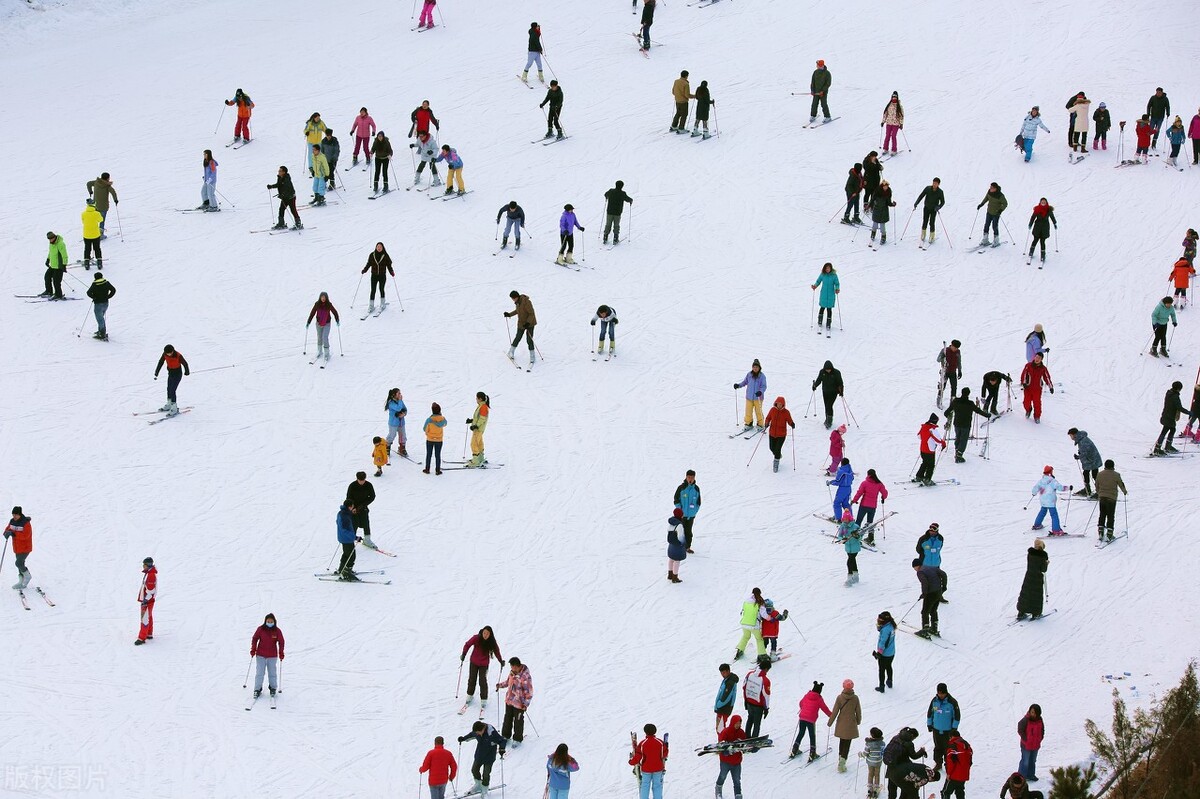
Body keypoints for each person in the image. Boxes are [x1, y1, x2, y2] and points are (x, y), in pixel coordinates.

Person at [458, 721, 507, 798]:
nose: (477, 734)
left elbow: (502, 740)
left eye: (478, 732)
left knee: (486, 774)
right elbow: (472, 734)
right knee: (474, 770)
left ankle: (484, 790)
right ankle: (478, 785)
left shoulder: (491, 733)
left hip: (489, 757)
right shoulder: (477, 731)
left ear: (483, 729)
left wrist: (502, 748)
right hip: (479, 755)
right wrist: (463, 738)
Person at [461, 626, 504, 709]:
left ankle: (484, 699)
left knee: (482, 681)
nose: (485, 635)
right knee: (472, 679)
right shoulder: (477, 638)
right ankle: (469, 695)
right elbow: (467, 644)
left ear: (490, 635)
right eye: (484, 633)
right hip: (474, 662)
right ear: (482, 632)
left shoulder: (492, 642)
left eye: (487, 634)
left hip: (484, 664)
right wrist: (463, 654)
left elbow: (497, 652)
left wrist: (501, 661)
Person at [926, 683, 961, 776]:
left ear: (946, 692)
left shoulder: (952, 702)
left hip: (948, 731)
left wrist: (954, 728)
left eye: (942, 693)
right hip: (936, 730)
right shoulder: (934, 701)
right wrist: (929, 724)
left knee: (948, 749)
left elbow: (957, 716)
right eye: (939, 693)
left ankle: (948, 765)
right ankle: (938, 763)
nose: (940, 695)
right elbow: (930, 713)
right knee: (938, 748)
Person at [496, 657, 533, 746]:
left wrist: (526, 704)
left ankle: (517, 738)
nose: (511, 669)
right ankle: (505, 735)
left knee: (518, 720)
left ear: (517, 666)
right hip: (510, 700)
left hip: (519, 703)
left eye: (513, 667)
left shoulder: (525, 676)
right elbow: (508, 682)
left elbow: (529, 691)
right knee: (507, 718)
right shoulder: (512, 673)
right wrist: (500, 685)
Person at [945, 388, 988, 462]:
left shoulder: (956, 401)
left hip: (957, 423)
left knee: (958, 437)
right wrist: (987, 415)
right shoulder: (970, 403)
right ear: (968, 394)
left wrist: (948, 417)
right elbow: (978, 411)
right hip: (966, 424)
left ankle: (957, 450)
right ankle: (959, 455)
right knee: (963, 439)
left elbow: (946, 412)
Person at [828, 679, 862, 772]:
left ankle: (840, 759)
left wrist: (830, 722)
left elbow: (835, 711)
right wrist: (858, 721)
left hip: (841, 723)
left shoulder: (840, 697)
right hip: (851, 723)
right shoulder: (855, 698)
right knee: (847, 743)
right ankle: (842, 763)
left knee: (842, 741)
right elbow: (858, 711)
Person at [792, 681, 832, 760]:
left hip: (802, 717)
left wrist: (803, 709)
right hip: (811, 719)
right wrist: (831, 716)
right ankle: (812, 753)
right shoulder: (819, 699)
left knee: (801, 733)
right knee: (812, 735)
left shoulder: (806, 695)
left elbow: (801, 703)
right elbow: (825, 708)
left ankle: (795, 749)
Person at [884, 728, 927, 799]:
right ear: (912, 735)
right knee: (904, 786)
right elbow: (914, 756)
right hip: (902, 767)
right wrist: (921, 751)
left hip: (891, 765)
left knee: (892, 787)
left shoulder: (896, 737)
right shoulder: (909, 743)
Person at [250, 613, 284, 699]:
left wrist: (281, 652)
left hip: (272, 656)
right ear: (265, 621)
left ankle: (273, 688)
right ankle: (257, 689)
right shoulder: (261, 629)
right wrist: (253, 649)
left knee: (272, 673)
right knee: (259, 673)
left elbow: (281, 642)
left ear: (274, 622)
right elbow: (255, 638)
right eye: (268, 621)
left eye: (271, 621)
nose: (269, 623)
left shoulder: (277, 631)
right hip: (260, 655)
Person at [629, 724, 668, 799]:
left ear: (645, 732)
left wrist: (631, 762)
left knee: (645, 785)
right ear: (655, 731)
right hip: (658, 768)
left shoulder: (642, 743)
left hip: (646, 769)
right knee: (657, 786)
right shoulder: (660, 743)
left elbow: (637, 757)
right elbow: (665, 754)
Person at [1094, 460, 1128, 541]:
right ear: (1113, 466)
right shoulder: (1116, 475)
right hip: (1111, 498)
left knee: (1102, 514)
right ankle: (1109, 534)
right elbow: (1121, 484)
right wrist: (1124, 491)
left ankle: (1100, 532)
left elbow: (1096, 485)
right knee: (1110, 515)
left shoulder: (1100, 474)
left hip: (1102, 497)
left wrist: (1099, 493)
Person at [913, 558, 946, 638]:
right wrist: (944, 586)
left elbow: (924, 583)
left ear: (917, 566)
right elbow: (943, 574)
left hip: (930, 593)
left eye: (914, 568)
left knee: (925, 612)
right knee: (933, 610)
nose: (915, 570)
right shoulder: (932, 567)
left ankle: (925, 630)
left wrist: (924, 594)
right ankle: (934, 629)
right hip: (938, 592)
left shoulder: (920, 572)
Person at [153, 344, 190, 415]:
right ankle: (169, 404)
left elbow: (185, 363)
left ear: (173, 351)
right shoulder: (165, 354)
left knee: (173, 390)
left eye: (170, 353)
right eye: (167, 353)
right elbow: (161, 362)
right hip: (170, 373)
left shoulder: (178, 355)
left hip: (177, 374)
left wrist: (187, 371)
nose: (169, 354)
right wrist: (157, 372)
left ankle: (174, 407)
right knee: (169, 388)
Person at [1016, 539, 1049, 620]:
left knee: (1025, 593)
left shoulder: (1030, 553)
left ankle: (1021, 612)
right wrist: (1046, 563)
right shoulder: (1043, 555)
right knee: (1036, 595)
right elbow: (1043, 569)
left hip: (1028, 576)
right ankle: (1035, 613)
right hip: (1037, 578)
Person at [714, 714, 744, 799]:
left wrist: (747, 748)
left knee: (737, 780)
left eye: (739, 723)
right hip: (725, 761)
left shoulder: (741, 732)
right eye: (737, 723)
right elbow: (721, 745)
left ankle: (738, 795)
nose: (738, 725)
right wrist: (725, 752)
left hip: (737, 762)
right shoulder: (726, 732)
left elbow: (745, 745)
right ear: (733, 722)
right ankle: (718, 790)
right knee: (722, 776)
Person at [503, 290, 537, 365]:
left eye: (513, 298)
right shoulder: (518, 302)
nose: (512, 300)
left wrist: (528, 323)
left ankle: (532, 356)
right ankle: (511, 352)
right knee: (518, 337)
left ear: (516, 297)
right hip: (521, 323)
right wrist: (509, 314)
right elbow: (518, 311)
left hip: (530, 324)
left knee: (529, 340)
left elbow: (531, 313)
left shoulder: (527, 302)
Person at [306, 292, 340, 362]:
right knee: (319, 337)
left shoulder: (329, 305)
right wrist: (308, 322)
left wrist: (337, 320)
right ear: (320, 297)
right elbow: (312, 313)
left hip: (327, 323)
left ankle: (327, 353)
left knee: (325, 337)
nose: (323, 298)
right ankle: (319, 351)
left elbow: (335, 312)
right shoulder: (317, 304)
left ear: (326, 298)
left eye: (324, 297)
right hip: (318, 324)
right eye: (322, 297)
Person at [1030, 466, 1066, 534]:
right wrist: (1068, 488)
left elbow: (1036, 487)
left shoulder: (1041, 480)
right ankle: (1056, 530)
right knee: (1054, 514)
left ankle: (1037, 525)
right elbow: (1060, 487)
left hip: (1043, 501)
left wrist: (1034, 493)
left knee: (1042, 512)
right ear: (1050, 472)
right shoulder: (1052, 481)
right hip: (1050, 502)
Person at [763, 397, 795, 473]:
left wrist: (792, 424)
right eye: (778, 404)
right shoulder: (772, 410)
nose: (779, 405)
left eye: (781, 404)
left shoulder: (786, 412)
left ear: (783, 404)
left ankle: (776, 463)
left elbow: (789, 420)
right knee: (771, 448)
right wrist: (767, 423)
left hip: (781, 435)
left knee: (777, 449)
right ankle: (778, 455)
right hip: (772, 433)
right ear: (776, 403)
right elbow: (768, 418)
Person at [733, 587, 766, 660]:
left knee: (745, 636)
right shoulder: (759, 602)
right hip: (754, 625)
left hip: (744, 623)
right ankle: (762, 655)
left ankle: (740, 650)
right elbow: (764, 615)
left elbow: (743, 611)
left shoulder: (746, 601)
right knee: (759, 639)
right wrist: (770, 618)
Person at [734, 360, 767, 431]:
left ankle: (760, 424)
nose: (755, 368)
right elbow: (745, 382)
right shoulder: (749, 374)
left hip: (758, 397)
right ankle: (748, 423)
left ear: (759, 368)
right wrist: (738, 385)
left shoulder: (762, 376)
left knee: (758, 411)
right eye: (754, 367)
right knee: (748, 411)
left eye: (756, 367)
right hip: (749, 397)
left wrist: (760, 392)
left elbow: (764, 386)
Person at [345, 471, 377, 547]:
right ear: (357, 479)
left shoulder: (368, 485)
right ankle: (351, 540)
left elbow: (372, 497)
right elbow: (349, 497)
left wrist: (363, 505)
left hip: (363, 508)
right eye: (360, 480)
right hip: (353, 509)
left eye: (363, 480)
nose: (362, 482)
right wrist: (352, 508)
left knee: (366, 523)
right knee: (354, 524)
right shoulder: (352, 486)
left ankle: (367, 540)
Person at [1067, 428, 1101, 496]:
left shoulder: (1083, 441)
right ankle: (1088, 489)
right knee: (1088, 473)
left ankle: (1098, 491)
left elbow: (1085, 453)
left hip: (1092, 460)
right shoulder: (1081, 438)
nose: (1071, 437)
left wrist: (1078, 456)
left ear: (1074, 435)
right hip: (1091, 459)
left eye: (1071, 435)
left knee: (1093, 474)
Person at [1020, 352, 1053, 423]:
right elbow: (1024, 374)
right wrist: (1024, 383)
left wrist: (1050, 387)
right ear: (1034, 357)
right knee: (1026, 402)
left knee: (1037, 403)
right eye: (1036, 357)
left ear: (1041, 360)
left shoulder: (1043, 368)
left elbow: (1047, 377)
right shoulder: (1028, 365)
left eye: (1039, 358)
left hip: (1037, 389)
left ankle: (1037, 416)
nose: (1037, 359)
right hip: (1028, 388)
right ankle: (1028, 410)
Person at [673, 470, 701, 552]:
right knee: (680, 532)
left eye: (692, 477)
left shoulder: (696, 489)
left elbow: (698, 502)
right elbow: (676, 500)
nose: (690, 479)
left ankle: (687, 547)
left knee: (689, 532)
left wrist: (694, 511)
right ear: (686, 477)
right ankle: (678, 547)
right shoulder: (681, 488)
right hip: (681, 515)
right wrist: (680, 511)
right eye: (689, 477)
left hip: (691, 515)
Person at [1154, 380, 1185, 455]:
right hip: (1169, 417)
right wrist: (1189, 412)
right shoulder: (1175, 396)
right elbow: (1179, 407)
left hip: (1166, 415)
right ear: (1178, 389)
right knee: (1166, 431)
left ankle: (1165, 447)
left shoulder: (1169, 393)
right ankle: (1158, 449)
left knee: (1171, 430)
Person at [4, 507, 33, 590]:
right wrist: (6, 533)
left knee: (18, 563)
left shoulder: (26, 523)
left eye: (16, 515)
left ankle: (27, 577)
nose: (14, 516)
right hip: (17, 548)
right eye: (13, 514)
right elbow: (8, 529)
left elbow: (25, 536)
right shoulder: (12, 521)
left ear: (20, 514)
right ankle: (21, 582)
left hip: (25, 548)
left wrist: (13, 533)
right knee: (20, 565)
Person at [742, 659, 770, 738]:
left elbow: (744, 687)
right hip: (758, 706)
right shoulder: (765, 680)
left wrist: (745, 700)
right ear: (766, 669)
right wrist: (766, 708)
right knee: (757, 724)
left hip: (749, 702)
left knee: (750, 719)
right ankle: (754, 741)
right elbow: (766, 695)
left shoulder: (749, 674)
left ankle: (747, 736)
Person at [362, 242, 395, 313]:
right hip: (374, 276)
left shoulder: (385, 255)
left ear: (382, 248)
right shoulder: (372, 255)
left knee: (381, 289)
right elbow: (368, 264)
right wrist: (365, 270)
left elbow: (389, 265)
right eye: (378, 246)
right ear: (376, 247)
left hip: (382, 276)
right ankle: (371, 306)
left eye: (380, 247)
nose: (379, 248)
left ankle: (382, 304)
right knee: (373, 290)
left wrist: (391, 272)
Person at [915, 414, 946, 486]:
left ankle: (919, 476)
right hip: (929, 450)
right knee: (931, 465)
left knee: (925, 462)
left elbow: (919, 436)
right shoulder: (932, 429)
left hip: (922, 449)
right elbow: (938, 440)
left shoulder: (924, 427)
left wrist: (925, 440)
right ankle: (927, 479)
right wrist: (943, 443)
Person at [812, 360, 844, 429]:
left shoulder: (836, 373)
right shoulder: (822, 372)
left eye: (829, 369)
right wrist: (815, 385)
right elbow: (819, 380)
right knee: (826, 406)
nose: (828, 371)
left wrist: (841, 391)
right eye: (826, 369)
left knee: (829, 405)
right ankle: (827, 419)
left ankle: (829, 421)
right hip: (825, 391)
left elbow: (840, 383)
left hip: (833, 392)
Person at [267, 166, 302, 230]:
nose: (278, 172)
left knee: (293, 210)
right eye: (279, 171)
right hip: (285, 197)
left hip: (291, 197)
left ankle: (298, 223)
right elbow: (278, 185)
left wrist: (282, 195)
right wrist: (271, 186)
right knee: (281, 209)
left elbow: (288, 189)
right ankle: (281, 223)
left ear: (284, 172)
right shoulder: (280, 177)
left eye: (280, 171)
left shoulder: (286, 179)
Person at [86, 172, 118, 236]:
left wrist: (90, 191)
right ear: (107, 179)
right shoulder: (107, 186)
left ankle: (92, 232)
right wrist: (115, 200)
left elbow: (88, 183)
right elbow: (113, 192)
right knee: (101, 221)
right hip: (103, 207)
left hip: (95, 205)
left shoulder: (96, 182)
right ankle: (100, 235)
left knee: (94, 219)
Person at [134, 556, 157, 645]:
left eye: (144, 564)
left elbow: (151, 591)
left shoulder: (151, 575)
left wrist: (145, 600)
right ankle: (149, 633)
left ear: (148, 565)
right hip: (149, 600)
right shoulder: (150, 573)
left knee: (144, 618)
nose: (143, 566)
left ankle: (141, 638)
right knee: (148, 616)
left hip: (148, 601)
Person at [943, 731, 973, 799]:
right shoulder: (967, 745)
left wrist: (949, 773)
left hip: (954, 775)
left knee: (946, 792)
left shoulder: (953, 745)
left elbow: (951, 762)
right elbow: (970, 761)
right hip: (964, 774)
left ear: (952, 736)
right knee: (960, 792)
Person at [86, 272, 116, 340]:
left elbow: (88, 293)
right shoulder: (106, 283)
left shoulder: (94, 284)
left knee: (100, 319)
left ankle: (102, 334)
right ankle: (101, 331)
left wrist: (94, 297)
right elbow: (113, 290)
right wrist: (108, 296)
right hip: (106, 303)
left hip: (98, 304)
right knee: (101, 318)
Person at [913, 178, 944, 244]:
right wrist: (916, 203)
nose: (934, 184)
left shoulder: (940, 192)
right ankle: (923, 234)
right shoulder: (927, 188)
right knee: (925, 221)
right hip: (926, 208)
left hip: (933, 209)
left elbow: (943, 202)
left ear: (938, 184)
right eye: (933, 183)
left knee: (932, 222)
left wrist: (938, 207)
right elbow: (921, 196)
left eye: (936, 183)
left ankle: (932, 236)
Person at [976, 182, 1008, 246]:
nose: (990, 188)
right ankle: (985, 240)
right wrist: (981, 204)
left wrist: (1000, 210)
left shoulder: (1000, 195)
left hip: (996, 214)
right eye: (990, 187)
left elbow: (1005, 204)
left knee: (994, 226)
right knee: (986, 225)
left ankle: (996, 241)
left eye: (992, 188)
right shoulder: (989, 192)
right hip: (989, 212)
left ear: (995, 188)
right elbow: (986, 198)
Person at [834, 512, 861, 586]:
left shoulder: (855, 526)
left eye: (846, 519)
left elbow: (860, 537)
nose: (844, 520)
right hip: (848, 548)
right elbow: (840, 535)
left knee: (849, 562)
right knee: (853, 561)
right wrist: (842, 539)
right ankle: (856, 577)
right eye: (844, 519)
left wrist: (856, 536)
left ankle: (849, 579)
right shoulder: (843, 526)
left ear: (849, 519)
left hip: (855, 548)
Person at [812, 262, 840, 333]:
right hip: (823, 294)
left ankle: (828, 323)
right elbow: (818, 281)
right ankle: (820, 321)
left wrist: (837, 289)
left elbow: (837, 283)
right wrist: (815, 286)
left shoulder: (834, 275)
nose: (827, 269)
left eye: (829, 268)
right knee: (822, 308)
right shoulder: (822, 274)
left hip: (831, 294)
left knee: (829, 309)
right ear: (825, 268)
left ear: (831, 268)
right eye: (826, 268)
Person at [39, 231, 68, 299]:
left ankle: (58, 294)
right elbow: (50, 252)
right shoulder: (51, 244)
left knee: (56, 281)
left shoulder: (61, 244)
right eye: (49, 239)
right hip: (52, 266)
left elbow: (65, 255)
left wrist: (64, 265)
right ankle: (49, 291)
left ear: (54, 237)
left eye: (51, 238)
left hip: (59, 266)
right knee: (47, 277)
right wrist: (48, 259)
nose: (50, 240)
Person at [1027, 198, 1057, 264]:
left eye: (1044, 202)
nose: (1043, 202)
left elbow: (1052, 217)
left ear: (1046, 202)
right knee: (1035, 240)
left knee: (1042, 242)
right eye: (1042, 201)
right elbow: (1033, 217)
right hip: (1037, 227)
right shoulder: (1037, 209)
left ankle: (1043, 256)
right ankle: (1031, 252)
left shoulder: (1049, 209)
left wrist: (1055, 223)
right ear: (1040, 202)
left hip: (1045, 228)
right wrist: (1030, 224)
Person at [465, 392, 490, 468]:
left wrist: (476, 426)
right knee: (479, 443)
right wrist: (472, 421)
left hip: (478, 429)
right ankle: (480, 458)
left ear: (480, 399)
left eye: (476, 398)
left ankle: (475, 461)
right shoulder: (481, 406)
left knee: (474, 444)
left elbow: (482, 419)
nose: (476, 399)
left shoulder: (483, 407)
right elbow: (478, 418)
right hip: (479, 428)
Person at [873, 612, 895, 693]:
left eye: (880, 619)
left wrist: (879, 653)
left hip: (884, 654)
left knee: (881, 670)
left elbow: (883, 642)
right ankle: (890, 681)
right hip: (891, 652)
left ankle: (881, 686)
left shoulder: (885, 630)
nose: (878, 620)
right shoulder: (891, 626)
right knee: (889, 666)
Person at [936, 339, 963, 407]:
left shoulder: (958, 352)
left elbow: (959, 361)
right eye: (954, 347)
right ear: (951, 345)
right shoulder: (945, 350)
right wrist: (943, 358)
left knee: (954, 387)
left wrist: (959, 371)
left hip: (953, 372)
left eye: (957, 348)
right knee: (942, 386)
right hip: (944, 372)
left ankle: (952, 402)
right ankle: (939, 400)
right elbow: (938, 359)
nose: (955, 349)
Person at [869, 179, 895, 245]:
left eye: (887, 186)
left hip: (884, 211)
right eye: (885, 186)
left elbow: (888, 202)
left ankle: (883, 237)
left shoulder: (888, 192)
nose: (886, 187)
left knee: (882, 226)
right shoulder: (877, 191)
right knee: (875, 224)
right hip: (876, 210)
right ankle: (873, 234)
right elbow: (873, 199)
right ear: (882, 186)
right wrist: (869, 205)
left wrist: (892, 204)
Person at [714, 664, 739, 732]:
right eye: (721, 673)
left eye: (724, 672)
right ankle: (722, 740)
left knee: (720, 727)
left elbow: (726, 697)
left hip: (724, 707)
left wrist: (718, 704)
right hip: (722, 707)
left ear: (728, 671)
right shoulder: (727, 679)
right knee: (720, 726)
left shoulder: (730, 682)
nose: (722, 674)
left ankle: (722, 740)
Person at [423, 403, 447, 474]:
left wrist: (428, 433)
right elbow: (445, 424)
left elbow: (425, 428)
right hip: (439, 440)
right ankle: (437, 470)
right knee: (438, 455)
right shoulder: (442, 419)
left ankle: (427, 469)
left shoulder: (429, 420)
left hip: (430, 439)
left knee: (429, 454)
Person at [862, 727, 886, 798]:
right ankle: (876, 789)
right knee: (877, 774)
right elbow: (882, 752)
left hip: (870, 762)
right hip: (878, 762)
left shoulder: (868, 744)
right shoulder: (882, 743)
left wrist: (861, 754)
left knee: (870, 774)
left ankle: (870, 789)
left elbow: (865, 753)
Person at [385, 388, 408, 457]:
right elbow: (398, 408)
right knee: (392, 435)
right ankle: (387, 447)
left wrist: (404, 414)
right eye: (399, 393)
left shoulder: (400, 401)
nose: (400, 395)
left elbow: (405, 409)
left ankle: (402, 448)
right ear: (394, 395)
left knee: (403, 435)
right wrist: (400, 400)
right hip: (393, 423)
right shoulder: (391, 403)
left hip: (401, 422)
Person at [666, 508, 687, 583]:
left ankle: (670, 574)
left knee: (671, 559)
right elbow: (680, 537)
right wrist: (683, 544)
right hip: (677, 545)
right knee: (677, 561)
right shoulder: (679, 525)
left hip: (671, 544)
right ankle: (675, 577)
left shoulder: (672, 522)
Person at [809, 59, 832, 123]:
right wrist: (812, 90)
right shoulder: (815, 72)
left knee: (823, 104)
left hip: (823, 93)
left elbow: (828, 84)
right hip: (816, 92)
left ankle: (828, 117)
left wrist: (822, 91)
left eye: (817, 65)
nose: (816, 66)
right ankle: (813, 116)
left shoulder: (827, 73)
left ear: (821, 65)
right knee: (814, 104)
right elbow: (812, 82)